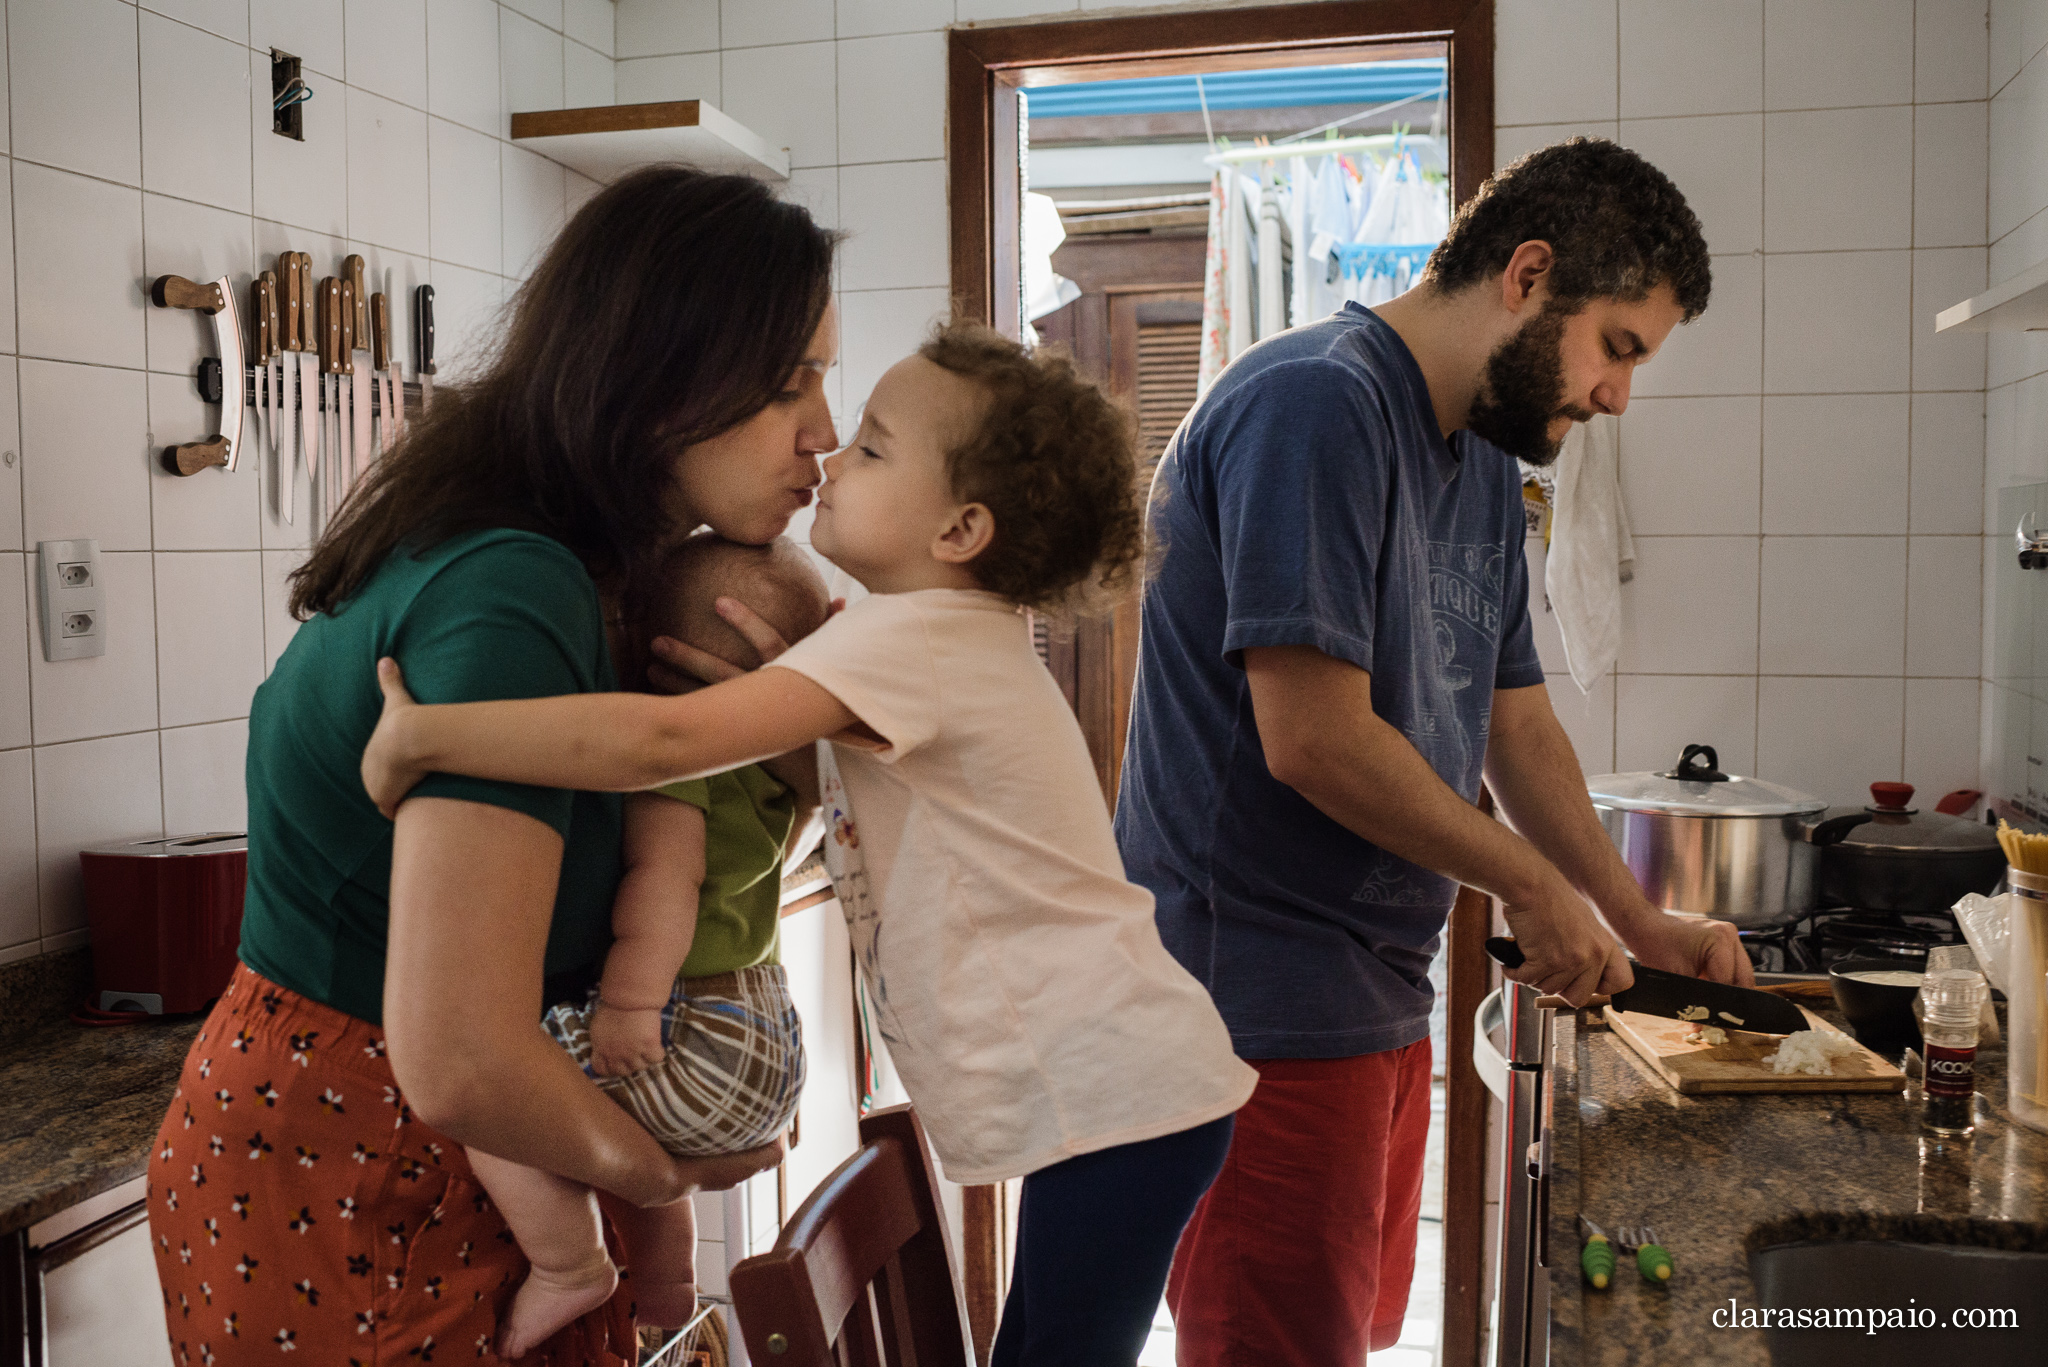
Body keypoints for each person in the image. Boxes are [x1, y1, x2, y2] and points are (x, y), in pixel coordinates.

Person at [357, 323, 1259, 1367]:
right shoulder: (940, 637)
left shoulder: (907, 636)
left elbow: (660, 739)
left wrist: (431, 733)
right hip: (1134, 1090)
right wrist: (783, 704)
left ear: (960, 528)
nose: (831, 452)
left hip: (1121, 1098)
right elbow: (851, 802)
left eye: (872, 448)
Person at [146, 166, 835, 1367]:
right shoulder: (510, 589)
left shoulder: (569, 568)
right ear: (664, 383)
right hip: (365, 1171)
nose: (822, 432)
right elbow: (463, 1057)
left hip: (423, 1152)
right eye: (790, 386)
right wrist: (662, 1166)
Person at [1113, 137, 1753, 1364]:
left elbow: (1515, 724)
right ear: (1526, 275)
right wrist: (1523, 882)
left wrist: (1632, 918)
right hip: (1251, 1006)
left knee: (1337, 1334)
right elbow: (1309, 739)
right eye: (1616, 345)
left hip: (1372, 998)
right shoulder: (1314, 403)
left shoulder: (1478, 463)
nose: (1619, 394)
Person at [475, 535, 831, 1358]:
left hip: (694, 1024)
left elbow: (668, 877)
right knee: (632, 1126)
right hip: (762, 1030)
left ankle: (569, 1264)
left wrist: (632, 1000)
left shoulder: (679, 749)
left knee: (485, 1085)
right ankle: (668, 1284)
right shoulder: (769, 758)